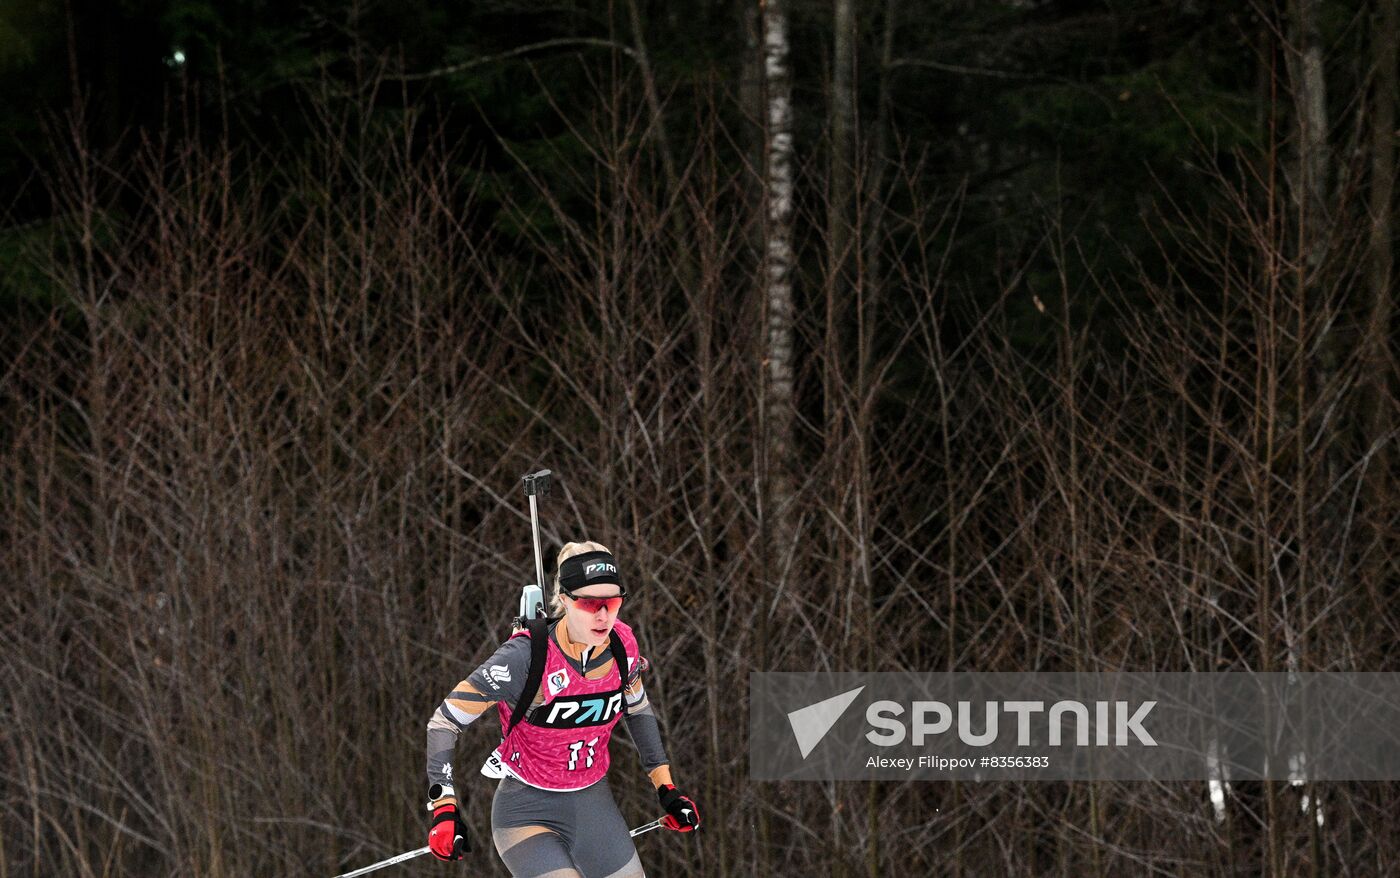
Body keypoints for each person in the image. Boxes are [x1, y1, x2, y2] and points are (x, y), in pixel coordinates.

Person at [423, 541, 700, 877]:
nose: (602, 615)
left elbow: (638, 709)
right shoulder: (525, 657)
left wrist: (667, 790)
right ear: (565, 600)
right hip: (525, 812)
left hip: (593, 807)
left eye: (611, 602)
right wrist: (444, 806)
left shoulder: (623, 645)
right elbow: (445, 721)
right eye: (589, 603)